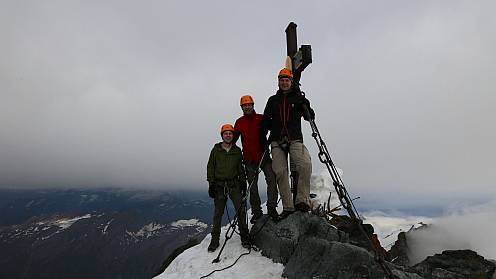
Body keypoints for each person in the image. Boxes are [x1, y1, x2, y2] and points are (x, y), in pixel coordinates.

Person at [261, 68, 315, 219]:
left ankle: (302, 201)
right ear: (278, 82)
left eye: (287, 80)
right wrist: (264, 140)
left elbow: (310, 117)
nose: (284, 83)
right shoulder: (273, 100)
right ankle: (288, 206)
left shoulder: (298, 99)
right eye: (282, 80)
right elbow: (265, 121)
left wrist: (305, 103)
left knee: (305, 165)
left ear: (291, 82)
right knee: (280, 172)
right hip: (277, 139)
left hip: (295, 138)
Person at [234, 95, 280, 223]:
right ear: (242, 107)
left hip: (263, 155)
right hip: (249, 158)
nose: (247, 107)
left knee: (271, 179)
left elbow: (275, 128)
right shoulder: (239, 123)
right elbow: (233, 140)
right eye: (245, 105)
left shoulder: (261, 119)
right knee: (252, 187)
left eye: (249, 105)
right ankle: (257, 212)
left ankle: (271, 208)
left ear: (253, 105)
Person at [206, 124, 250, 252]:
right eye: (226, 133)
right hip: (219, 185)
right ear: (222, 135)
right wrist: (211, 184)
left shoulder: (237, 151)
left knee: (241, 211)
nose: (228, 135)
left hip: (234, 184)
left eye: (230, 133)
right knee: (218, 213)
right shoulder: (216, 150)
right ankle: (214, 241)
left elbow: (240, 168)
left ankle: (245, 237)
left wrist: (243, 181)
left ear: (233, 136)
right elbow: (210, 167)